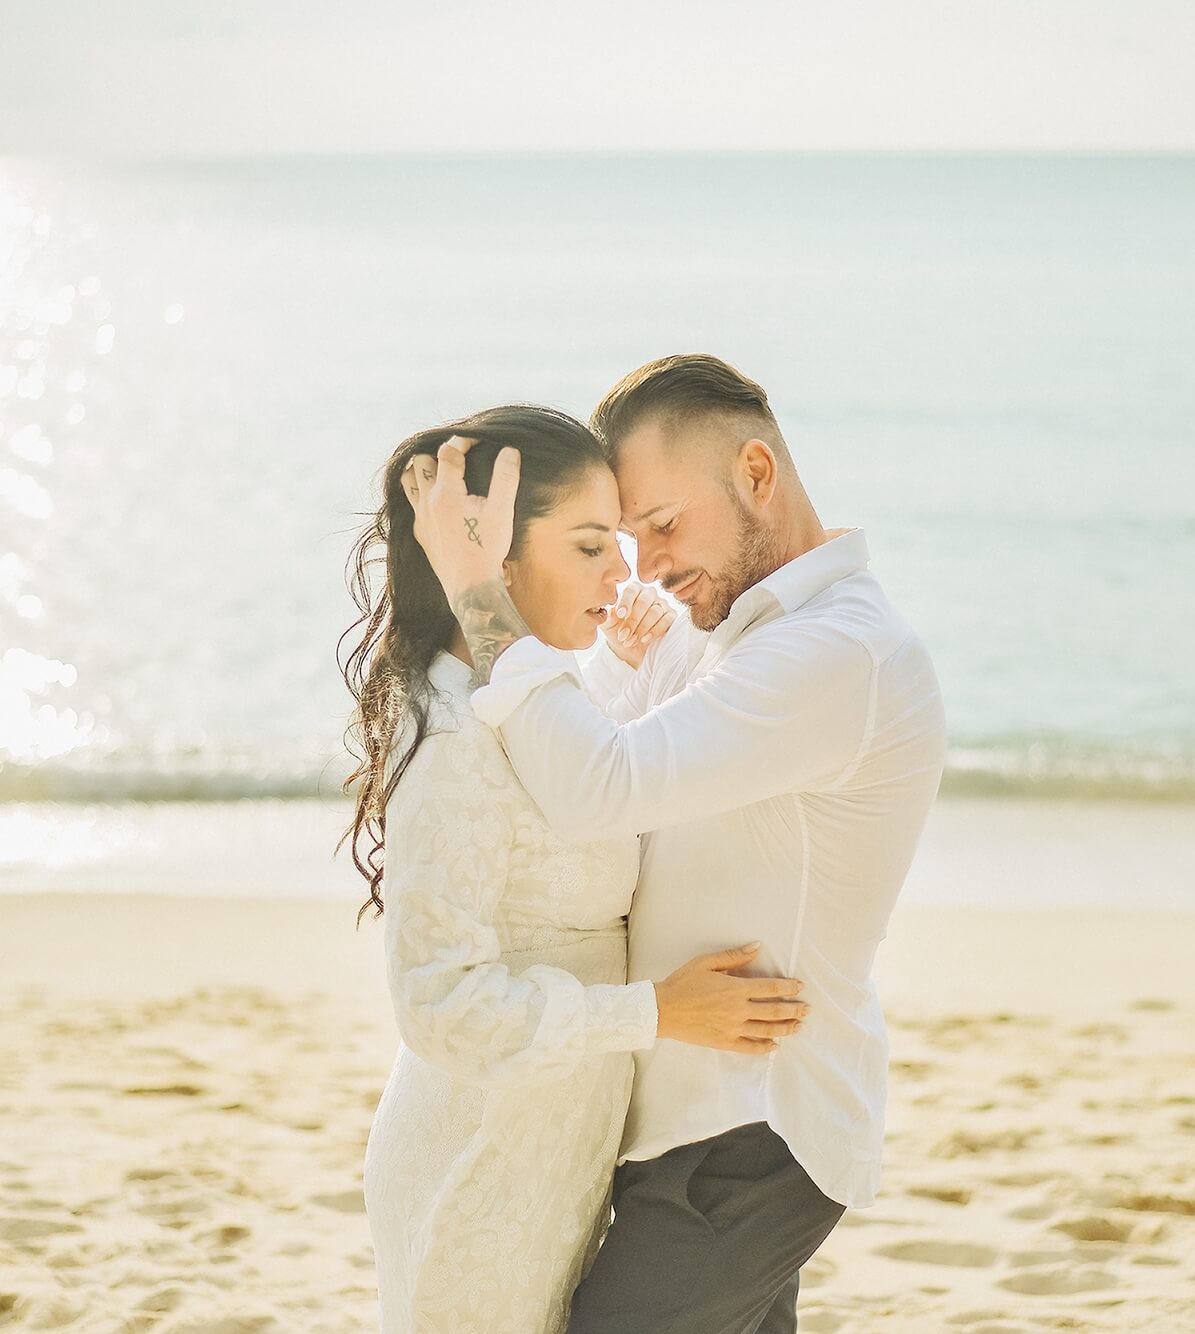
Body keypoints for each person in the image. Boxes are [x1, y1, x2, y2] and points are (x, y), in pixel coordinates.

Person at [406, 356, 947, 1334]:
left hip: (747, 1123)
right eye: (620, 537)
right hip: (699, 1120)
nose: (644, 561)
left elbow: (597, 789)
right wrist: (618, 651)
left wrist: (481, 599)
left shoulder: (834, 651)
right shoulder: (733, 632)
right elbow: (614, 754)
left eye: (660, 524)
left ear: (753, 472)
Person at [342, 403, 812, 1334]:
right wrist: (657, 1012)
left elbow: (563, 804)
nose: (623, 572)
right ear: (497, 560)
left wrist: (615, 677)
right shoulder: (455, 740)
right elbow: (436, 1002)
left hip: (546, 1157)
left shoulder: (522, 697)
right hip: (477, 1169)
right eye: (592, 546)